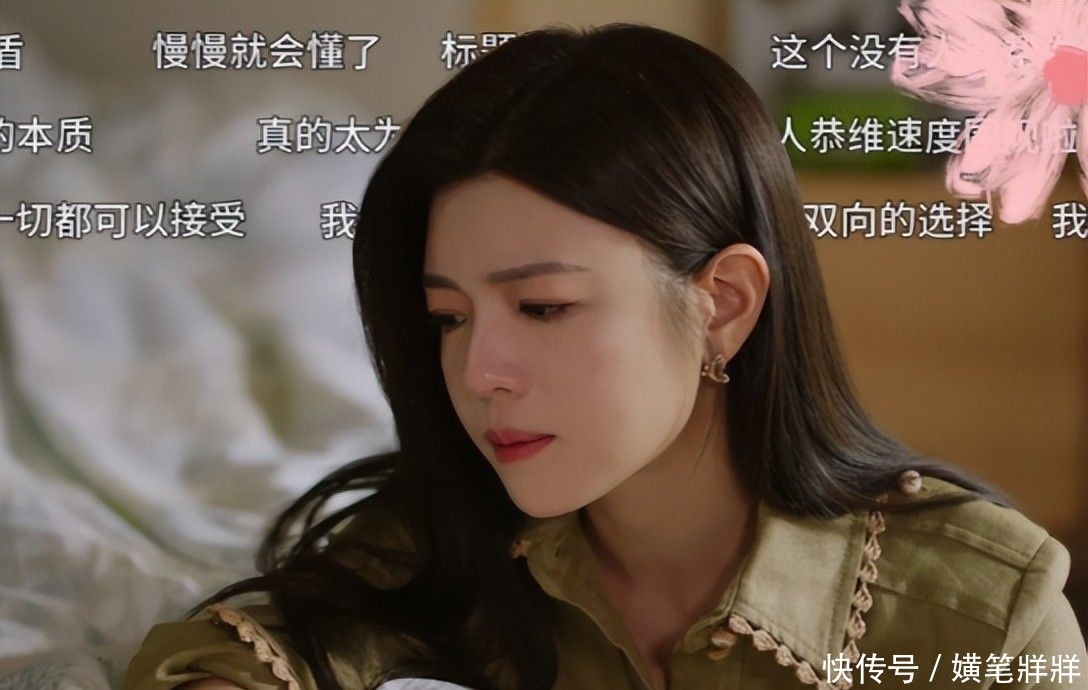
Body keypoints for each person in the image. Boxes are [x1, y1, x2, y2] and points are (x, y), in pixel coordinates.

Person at [122, 22, 1086, 690]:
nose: (480, 371)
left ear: (723, 304)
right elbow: (251, 648)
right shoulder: (444, 547)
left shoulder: (986, 614)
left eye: (543, 307)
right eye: (448, 318)